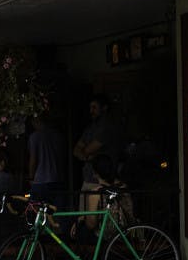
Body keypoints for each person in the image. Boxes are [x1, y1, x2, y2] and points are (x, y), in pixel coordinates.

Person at [72, 94, 123, 231]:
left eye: (94, 107)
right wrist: (87, 156)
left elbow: (87, 149)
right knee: (84, 218)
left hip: (102, 179)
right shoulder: (90, 128)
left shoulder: (107, 127)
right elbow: (76, 150)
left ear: (104, 108)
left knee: (98, 223)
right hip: (88, 177)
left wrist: (86, 154)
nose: (91, 111)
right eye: (90, 107)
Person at [27, 112, 66, 203]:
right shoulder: (58, 135)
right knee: (56, 210)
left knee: (34, 203)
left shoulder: (35, 137)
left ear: (35, 122)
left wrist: (30, 178)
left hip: (40, 181)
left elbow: (33, 159)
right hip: (58, 179)